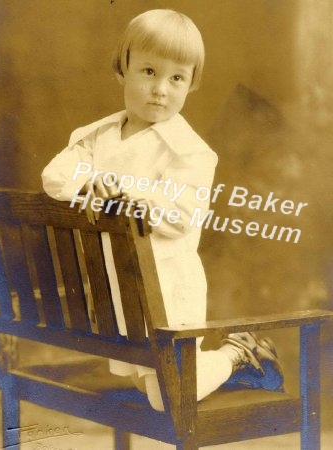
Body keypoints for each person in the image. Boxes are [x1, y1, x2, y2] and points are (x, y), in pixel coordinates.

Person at [42, 9, 283, 411]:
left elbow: (182, 215)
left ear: (190, 86)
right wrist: (86, 183)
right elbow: (54, 176)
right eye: (149, 72)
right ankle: (232, 361)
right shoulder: (97, 136)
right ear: (123, 70)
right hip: (119, 289)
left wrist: (133, 196)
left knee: (165, 394)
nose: (160, 89)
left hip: (166, 288)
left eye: (177, 78)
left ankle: (235, 354)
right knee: (144, 383)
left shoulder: (190, 152)